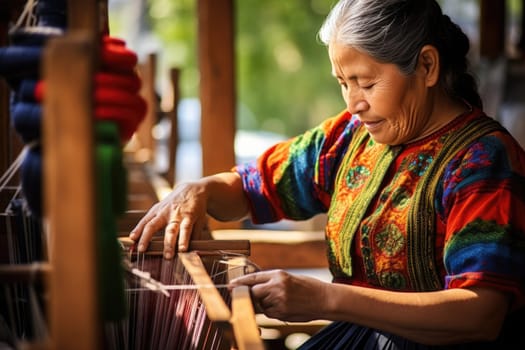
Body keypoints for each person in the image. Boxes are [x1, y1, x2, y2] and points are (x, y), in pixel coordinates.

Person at [129, 0, 525, 348]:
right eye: (343, 83)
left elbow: (480, 314)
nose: (354, 103)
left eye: (367, 83)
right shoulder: (350, 138)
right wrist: (199, 190)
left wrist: (324, 299)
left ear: (426, 65)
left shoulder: (482, 160)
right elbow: (255, 188)